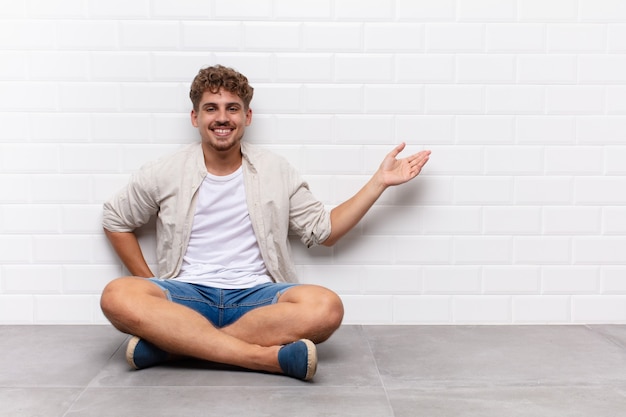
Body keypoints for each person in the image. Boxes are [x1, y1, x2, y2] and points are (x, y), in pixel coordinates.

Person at [100, 65, 431, 381]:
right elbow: (115, 219)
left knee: (327, 307)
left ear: (247, 116)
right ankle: (262, 359)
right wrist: (153, 287)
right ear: (195, 117)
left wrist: (379, 182)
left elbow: (324, 231)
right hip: (187, 296)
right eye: (211, 108)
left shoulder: (275, 170)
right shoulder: (165, 171)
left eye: (232, 108)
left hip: (257, 299)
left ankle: (174, 348)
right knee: (116, 295)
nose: (222, 118)